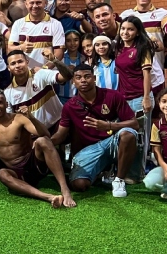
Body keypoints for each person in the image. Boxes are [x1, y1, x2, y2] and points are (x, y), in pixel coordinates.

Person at [0, 89, 76, 208]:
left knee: (43, 141)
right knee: (1, 174)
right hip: (16, 172)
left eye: (0, 102)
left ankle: (65, 189)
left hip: (34, 164)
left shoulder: (19, 119)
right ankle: (48, 197)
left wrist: (31, 117)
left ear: (6, 104)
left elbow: (45, 134)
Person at [51, 64, 140, 197]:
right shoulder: (69, 106)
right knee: (79, 185)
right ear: (73, 81)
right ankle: (101, 171)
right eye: (78, 77)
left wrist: (108, 126)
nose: (83, 80)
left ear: (94, 78)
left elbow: (135, 124)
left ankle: (119, 180)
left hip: (111, 143)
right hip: (88, 150)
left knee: (128, 134)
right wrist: (46, 141)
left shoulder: (112, 96)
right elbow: (61, 134)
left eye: (87, 76)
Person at [119, 0, 167, 110]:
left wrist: (156, 46)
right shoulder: (125, 15)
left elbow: (166, 44)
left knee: (156, 112)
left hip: (155, 73)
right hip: (132, 79)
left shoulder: (164, 14)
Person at [115, 15, 155, 171]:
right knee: (126, 135)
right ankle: (124, 169)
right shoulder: (118, 48)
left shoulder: (143, 48)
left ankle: (139, 171)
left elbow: (147, 75)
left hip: (140, 97)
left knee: (141, 137)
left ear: (138, 32)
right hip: (123, 99)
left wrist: (146, 98)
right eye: (123, 28)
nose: (125, 32)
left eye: (130, 29)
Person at [4, 49, 72, 133]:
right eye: (13, 63)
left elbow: (67, 76)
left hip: (59, 124)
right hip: (35, 133)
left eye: (20, 61)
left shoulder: (40, 74)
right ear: (8, 68)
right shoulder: (7, 93)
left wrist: (54, 60)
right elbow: (11, 120)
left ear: (27, 62)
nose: (17, 65)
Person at [8, 0, 65, 66]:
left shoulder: (56, 24)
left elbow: (59, 53)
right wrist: (21, 47)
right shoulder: (18, 24)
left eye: (38, 2)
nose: (35, 6)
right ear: (26, 4)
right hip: (25, 72)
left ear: (45, 3)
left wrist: (44, 69)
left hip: (48, 72)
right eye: (31, 3)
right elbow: (10, 48)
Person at [57, 30, 82, 104]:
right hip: (60, 98)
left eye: (75, 40)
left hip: (79, 99)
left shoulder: (83, 59)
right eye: (68, 41)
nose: (72, 43)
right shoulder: (60, 58)